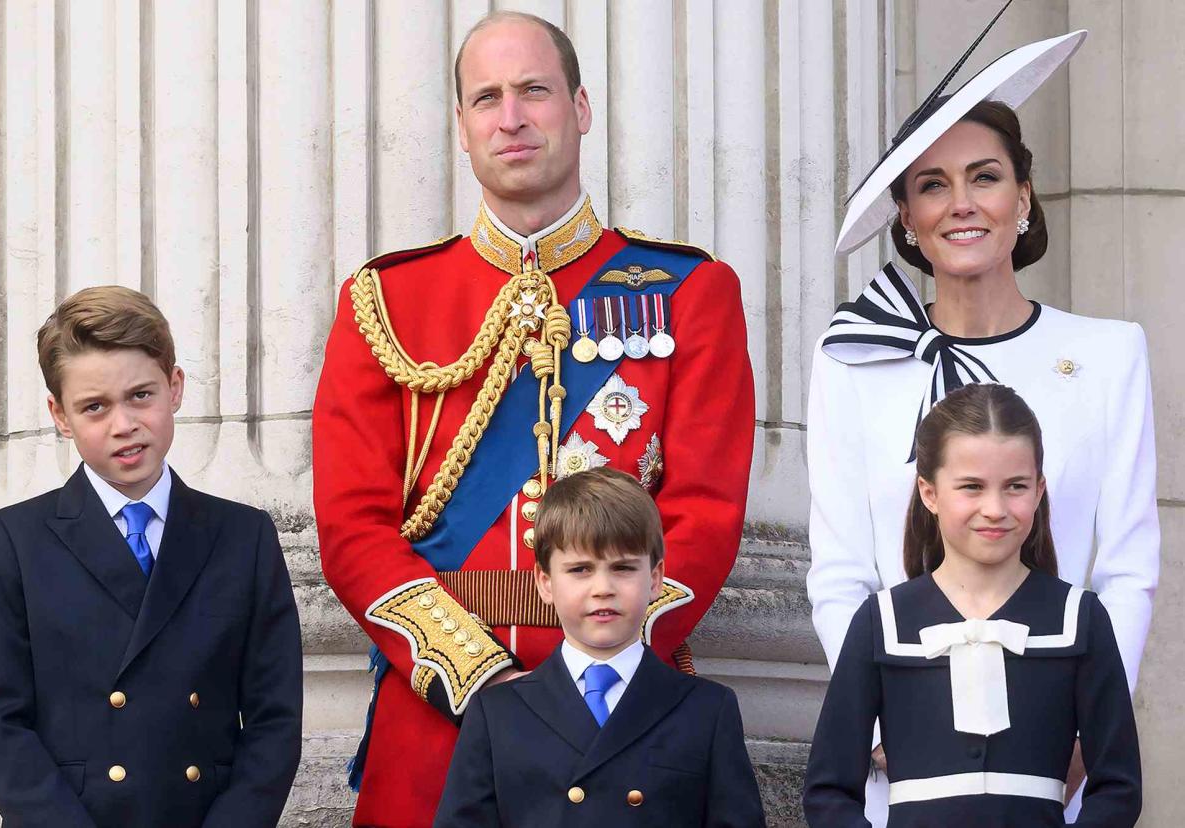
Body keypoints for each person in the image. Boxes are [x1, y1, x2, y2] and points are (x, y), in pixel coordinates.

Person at [312, 10, 755, 826]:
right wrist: (476, 676)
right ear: (462, 127)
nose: (510, 117)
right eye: (487, 98)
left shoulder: (690, 292)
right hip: (440, 710)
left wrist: (602, 663)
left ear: (580, 109)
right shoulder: (385, 300)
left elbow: (705, 512)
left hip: (621, 710)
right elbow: (350, 526)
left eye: (533, 91)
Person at [806, 20, 1157, 826]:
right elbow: (838, 571)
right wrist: (886, 709)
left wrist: (1083, 728)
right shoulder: (852, 359)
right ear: (905, 215)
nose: (960, 204)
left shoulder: (1107, 355)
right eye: (931, 184)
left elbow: (1128, 568)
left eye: (984, 177)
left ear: (1023, 196)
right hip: (906, 766)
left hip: (1051, 761)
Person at [0, 287, 304, 828]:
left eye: (140, 395)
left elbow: (274, 721)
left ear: (175, 388)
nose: (123, 424)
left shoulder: (244, 536)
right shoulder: (14, 540)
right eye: (94, 407)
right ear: (59, 415)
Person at [803, 383, 1141, 827]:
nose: (995, 508)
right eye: (971, 487)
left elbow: (1118, 786)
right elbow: (829, 791)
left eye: (1015, 486)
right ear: (929, 492)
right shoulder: (881, 621)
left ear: (1039, 491)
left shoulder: (1080, 618)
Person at [433, 467, 765, 827]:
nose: (603, 588)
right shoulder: (496, 712)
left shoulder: (706, 710)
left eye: (623, 568)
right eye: (580, 570)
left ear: (655, 580)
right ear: (545, 583)